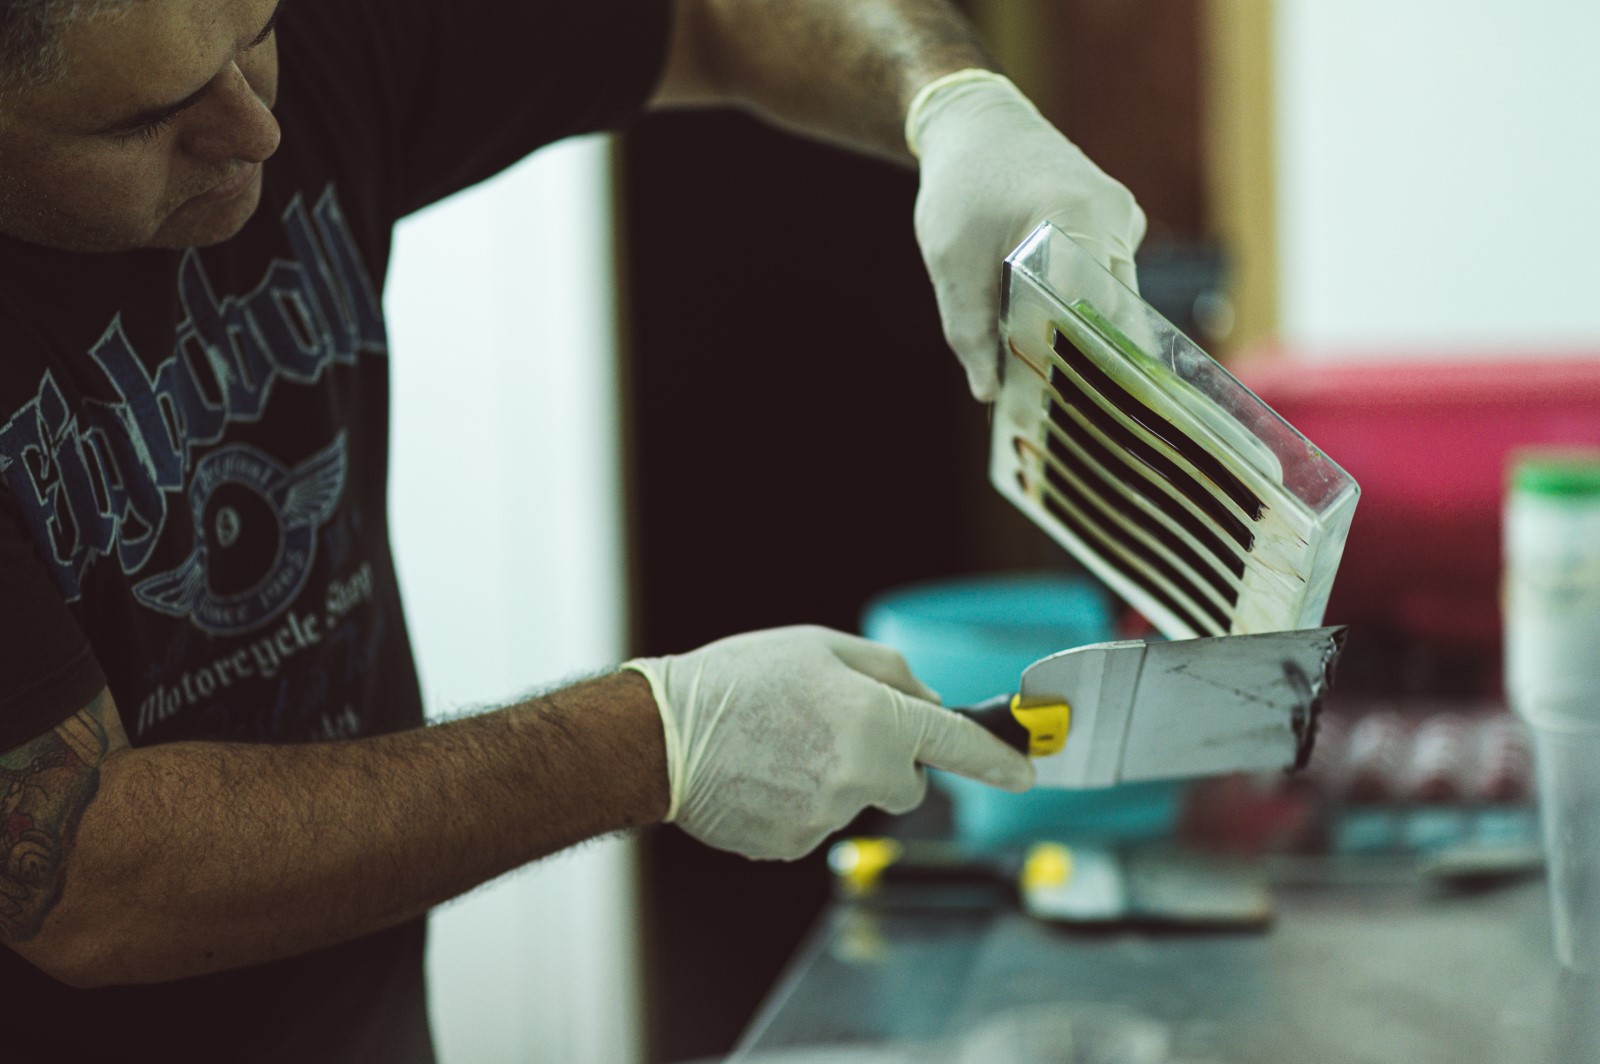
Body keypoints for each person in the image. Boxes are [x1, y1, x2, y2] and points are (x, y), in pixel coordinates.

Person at [0, 0, 1146, 1058]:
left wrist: (948, 99)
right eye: (145, 119)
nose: (256, 129)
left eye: (255, 34)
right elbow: (81, 874)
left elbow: (709, 12)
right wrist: (656, 738)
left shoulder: (307, 48)